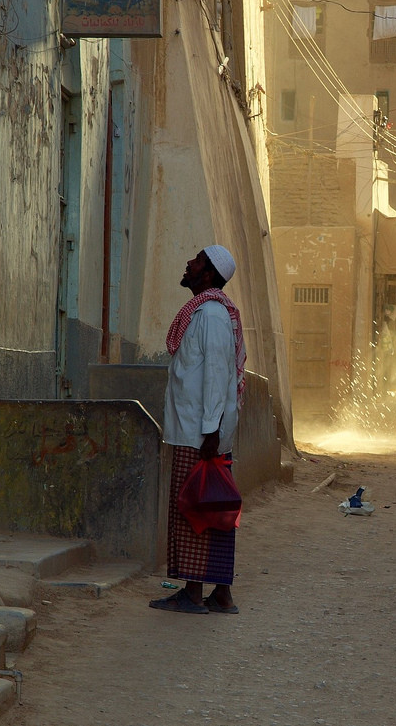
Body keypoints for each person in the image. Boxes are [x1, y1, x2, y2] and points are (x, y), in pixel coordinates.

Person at [149, 245, 246, 615]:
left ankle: (192, 593)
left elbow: (218, 374)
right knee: (214, 509)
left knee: (196, 510)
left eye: (197, 261)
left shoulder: (211, 315)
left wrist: (210, 431)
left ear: (208, 275)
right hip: (199, 430)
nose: (189, 263)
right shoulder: (205, 313)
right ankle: (220, 593)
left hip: (200, 435)